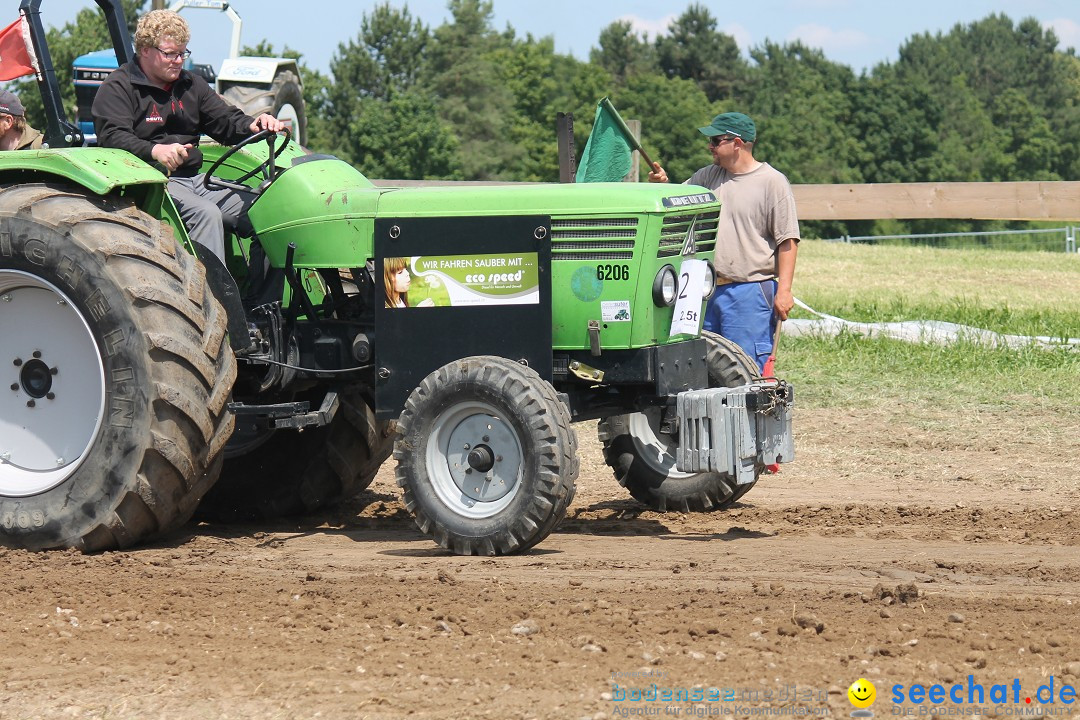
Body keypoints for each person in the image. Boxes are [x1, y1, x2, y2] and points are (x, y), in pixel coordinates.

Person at [91, 9, 284, 264]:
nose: (178, 60)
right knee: (206, 214)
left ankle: (264, 303)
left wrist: (254, 125)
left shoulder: (191, 85)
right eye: (170, 53)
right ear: (145, 50)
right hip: (151, 182)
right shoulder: (119, 87)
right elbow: (112, 136)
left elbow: (224, 121)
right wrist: (154, 151)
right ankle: (212, 302)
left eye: (183, 53)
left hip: (196, 179)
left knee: (268, 212)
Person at [648, 112, 799, 373]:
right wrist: (662, 185)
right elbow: (675, 200)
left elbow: (787, 241)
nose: (710, 146)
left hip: (749, 292)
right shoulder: (708, 176)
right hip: (703, 290)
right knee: (699, 368)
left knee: (746, 370)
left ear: (737, 143)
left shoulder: (772, 182)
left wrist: (784, 291)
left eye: (716, 141)